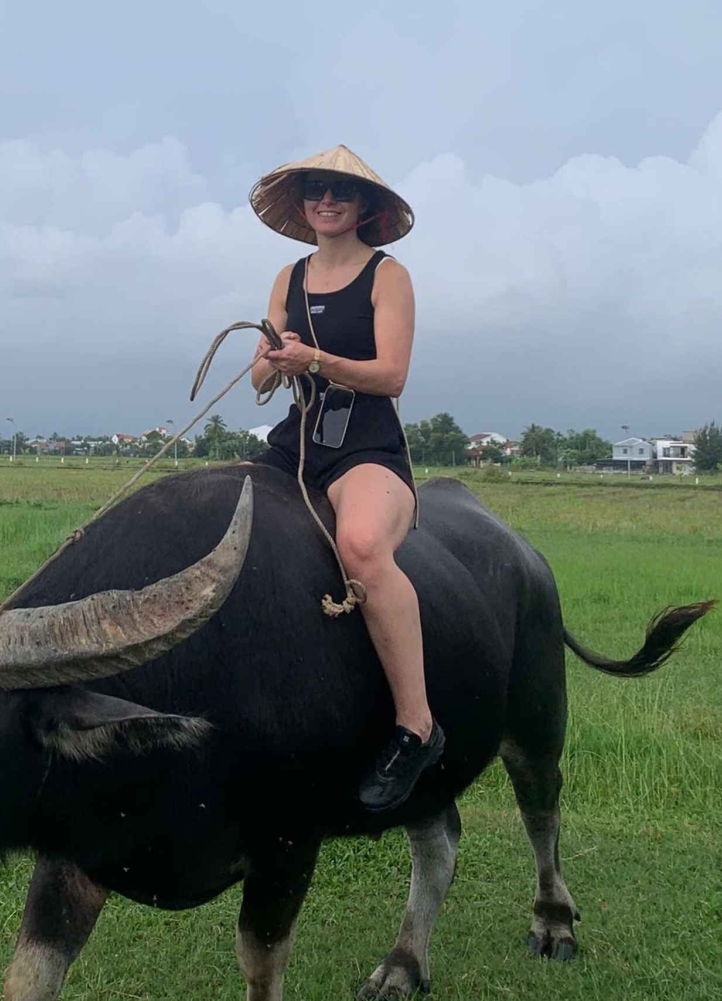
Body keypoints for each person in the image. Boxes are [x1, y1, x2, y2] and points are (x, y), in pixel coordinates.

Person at [244, 145, 442, 813]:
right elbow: (260, 377)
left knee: (360, 545)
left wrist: (316, 357)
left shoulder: (389, 276)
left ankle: (416, 725)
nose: (326, 200)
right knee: (221, 524)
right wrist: (276, 358)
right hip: (295, 447)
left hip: (365, 450)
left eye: (340, 191)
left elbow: (391, 376)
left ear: (364, 207)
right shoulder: (289, 277)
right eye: (315, 191)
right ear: (302, 206)